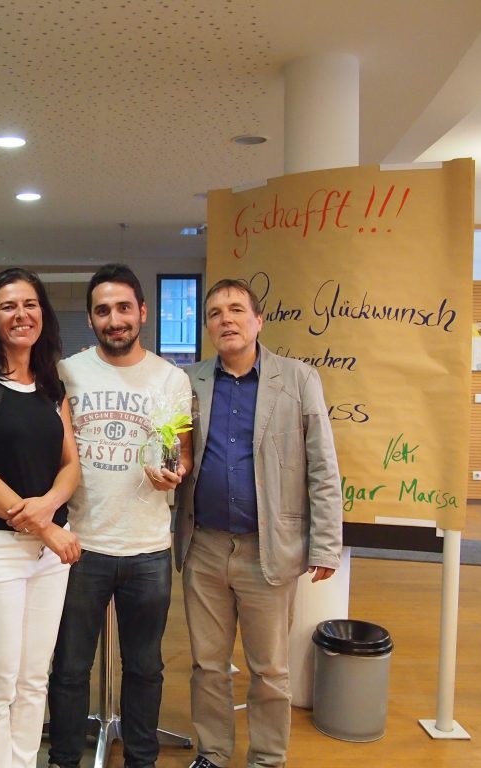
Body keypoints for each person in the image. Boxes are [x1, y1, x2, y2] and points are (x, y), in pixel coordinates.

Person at [173, 279, 343, 768]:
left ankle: (268, 757)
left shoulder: (298, 379)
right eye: (214, 313)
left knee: (269, 669)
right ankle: (213, 751)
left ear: (257, 320)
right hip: (203, 547)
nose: (226, 319)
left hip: (269, 548)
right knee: (208, 665)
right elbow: (175, 450)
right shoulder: (189, 382)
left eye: (236, 309)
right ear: (206, 327)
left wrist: (326, 545)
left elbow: (323, 466)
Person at [47, 263, 193, 768]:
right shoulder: (68, 372)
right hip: (80, 545)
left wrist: (173, 471)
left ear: (143, 313)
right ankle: (64, 759)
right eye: (103, 310)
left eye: (124, 308)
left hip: (148, 547)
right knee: (68, 668)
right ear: (91, 319)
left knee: (146, 667)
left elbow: (182, 451)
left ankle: (141, 759)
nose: (115, 319)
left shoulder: (171, 378)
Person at [0, 267, 81, 768]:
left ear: (43, 316)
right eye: (8, 306)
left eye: (30, 305)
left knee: (33, 678)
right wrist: (45, 526)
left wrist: (49, 509)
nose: (21, 315)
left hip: (49, 555)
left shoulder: (51, 385)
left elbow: (71, 465)